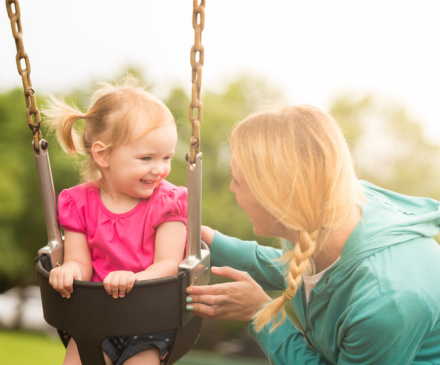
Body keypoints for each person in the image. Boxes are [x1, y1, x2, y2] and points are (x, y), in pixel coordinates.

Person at [185, 105, 440, 364]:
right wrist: (209, 242)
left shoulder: (386, 302)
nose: (230, 187)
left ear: (275, 196)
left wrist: (262, 315)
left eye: (237, 181)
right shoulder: (324, 207)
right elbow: (305, 271)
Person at [43, 76, 187, 365]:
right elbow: (80, 262)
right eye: (146, 158)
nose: (160, 169)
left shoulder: (168, 202)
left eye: (167, 157)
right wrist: (68, 270)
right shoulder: (78, 203)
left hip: (149, 323)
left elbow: (169, 264)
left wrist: (134, 278)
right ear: (103, 154)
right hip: (96, 319)